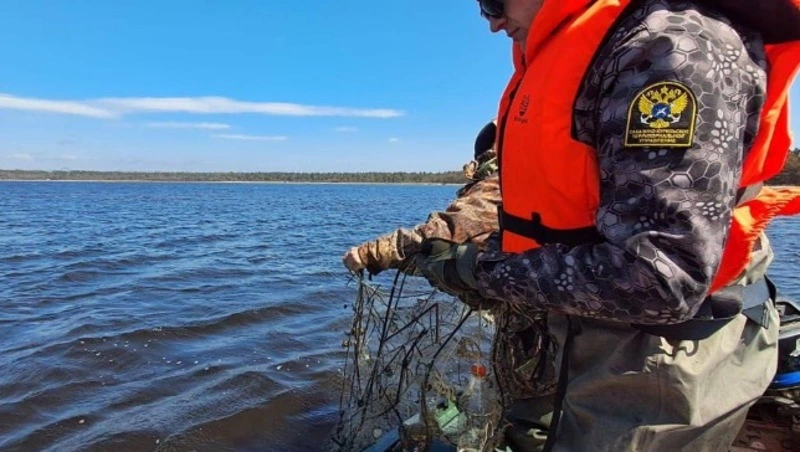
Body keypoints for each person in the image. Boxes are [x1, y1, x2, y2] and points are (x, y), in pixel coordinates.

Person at [415, 0, 800, 450]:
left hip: (657, 363)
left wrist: (479, 272)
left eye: (494, 3)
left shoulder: (666, 46)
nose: (493, 23)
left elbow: (660, 278)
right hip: (593, 341)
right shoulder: (591, 44)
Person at [342, 119, 501, 276]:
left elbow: (443, 232)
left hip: (514, 293)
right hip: (518, 285)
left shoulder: (502, 181)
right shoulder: (514, 179)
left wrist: (367, 254)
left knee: (440, 253)